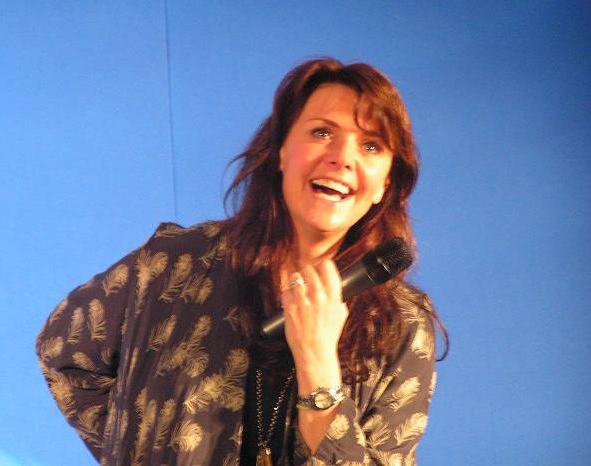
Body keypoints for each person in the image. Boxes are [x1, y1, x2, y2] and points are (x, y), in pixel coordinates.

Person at [36, 58, 446, 466]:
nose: (342, 157)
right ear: (282, 151)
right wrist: (139, 444)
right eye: (322, 132)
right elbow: (63, 350)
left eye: (371, 145)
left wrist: (318, 363)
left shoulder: (404, 326)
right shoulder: (175, 264)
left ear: (385, 183)